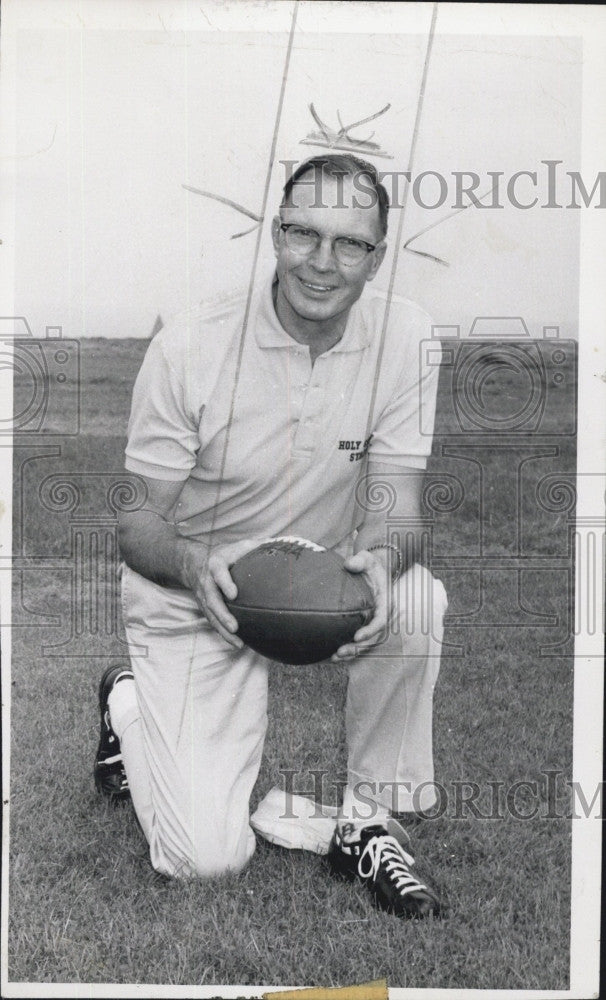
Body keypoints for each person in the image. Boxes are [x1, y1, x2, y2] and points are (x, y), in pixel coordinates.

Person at [94, 154, 448, 919]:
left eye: (349, 243)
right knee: (202, 861)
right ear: (275, 234)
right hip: (192, 588)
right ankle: (126, 709)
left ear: (377, 256)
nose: (322, 263)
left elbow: (399, 508)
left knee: (418, 598)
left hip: (318, 581)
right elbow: (134, 517)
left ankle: (365, 822)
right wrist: (194, 567)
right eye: (303, 234)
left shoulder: (408, 335)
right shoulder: (191, 344)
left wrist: (382, 567)